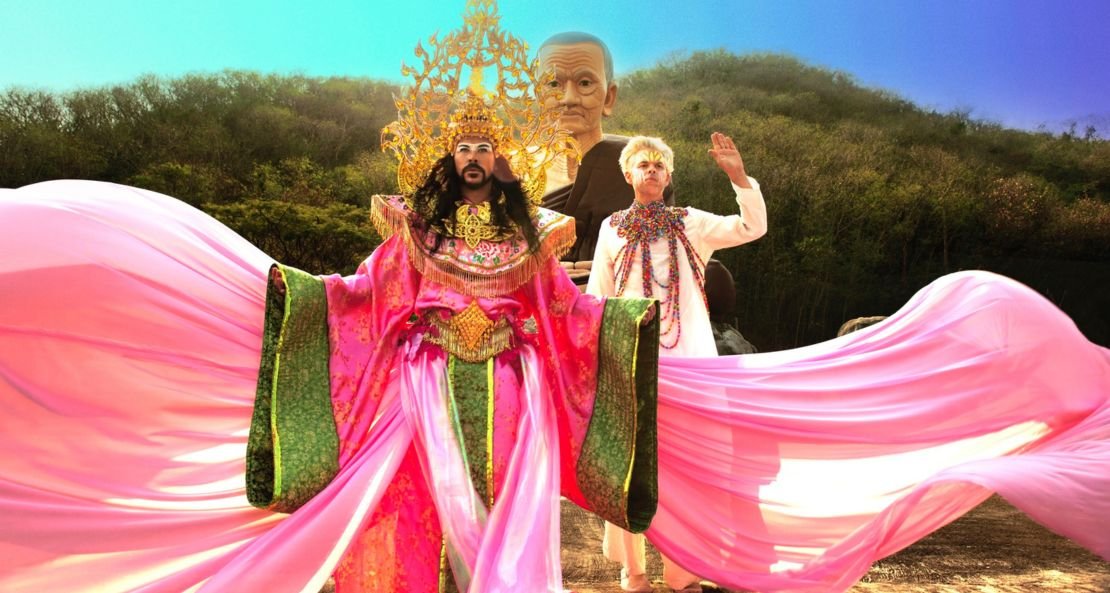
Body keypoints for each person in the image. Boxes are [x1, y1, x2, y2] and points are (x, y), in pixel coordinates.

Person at [586, 133, 766, 591]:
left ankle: (683, 569)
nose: (651, 171)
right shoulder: (612, 228)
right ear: (628, 174)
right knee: (630, 467)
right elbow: (597, 296)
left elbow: (752, 227)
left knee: (689, 467)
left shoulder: (692, 222)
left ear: (669, 176)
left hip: (689, 364)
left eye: (659, 165)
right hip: (629, 359)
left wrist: (738, 177)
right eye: (642, 165)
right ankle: (635, 570)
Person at [537, 31, 673, 272]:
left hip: (616, 284)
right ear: (538, 96)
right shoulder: (514, 166)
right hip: (536, 288)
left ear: (609, 96)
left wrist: (590, 270)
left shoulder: (641, 162)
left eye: (585, 83)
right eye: (553, 84)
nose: (568, 98)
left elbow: (660, 249)